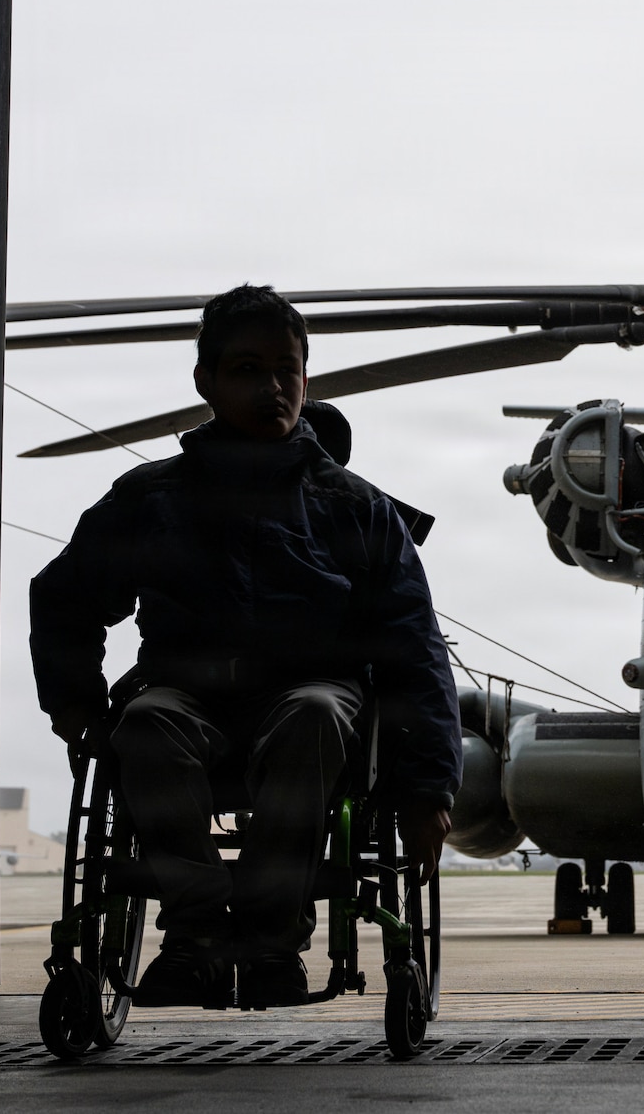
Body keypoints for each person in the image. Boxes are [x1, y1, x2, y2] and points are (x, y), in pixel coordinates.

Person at [31, 285, 463, 1009]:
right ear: (205, 381)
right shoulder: (149, 498)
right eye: (247, 370)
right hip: (185, 694)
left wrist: (428, 788)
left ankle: (268, 940)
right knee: (145, 722)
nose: (272, 388)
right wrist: (74, 703)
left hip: (311, 701)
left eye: (286, 370)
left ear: (305, 376)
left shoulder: (356, 507)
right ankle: (196, 936)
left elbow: (415, 649)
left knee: (315, 713)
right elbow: (64, 597)